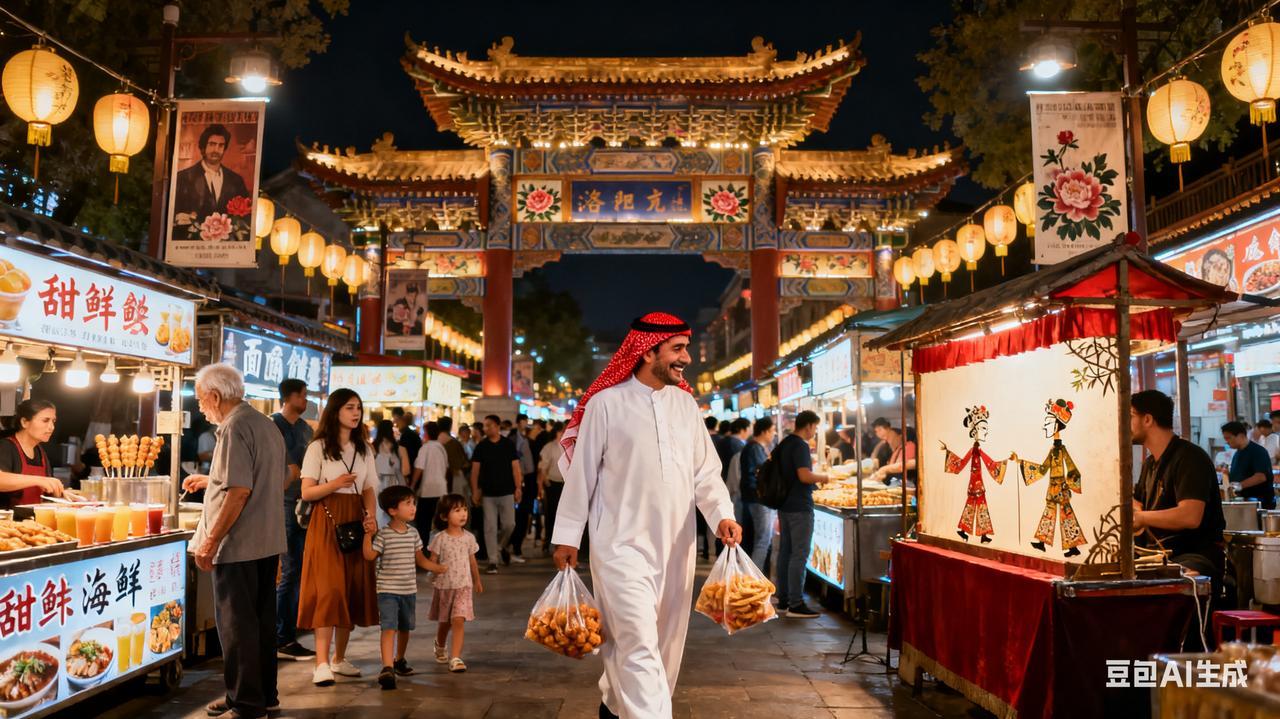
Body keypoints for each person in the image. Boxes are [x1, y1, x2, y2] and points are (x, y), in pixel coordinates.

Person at [551, 312, 740, 719]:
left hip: (676, 545)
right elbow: (581, 474)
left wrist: (721, 514)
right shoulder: (605, 404)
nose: (686, 358)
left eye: (686, 348)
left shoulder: (686, 405)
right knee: (636, 640)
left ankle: (615, 706)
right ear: (646, 350)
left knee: (665, 645)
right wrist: (568, 534)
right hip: (618, 544)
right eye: (677, 349)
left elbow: (705, 472)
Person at [185, 364, 286, 719]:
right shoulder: (264, 423)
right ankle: (260, 696)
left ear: (214, 396)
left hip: (239, 545)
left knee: (237, 627)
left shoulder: (233, 427)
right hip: (267, 541)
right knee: (258, 623)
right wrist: (210, 480)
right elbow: (251, 478)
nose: (200, 407)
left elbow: (239, 492)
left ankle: (245, 705)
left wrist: (210, 540)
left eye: (200, 400)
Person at [297, 389, 379, 687]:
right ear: (335, 412)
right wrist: (335, 484)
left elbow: (369, 488)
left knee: (351, 588)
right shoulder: (318, 447)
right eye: (349, 407)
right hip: (326, 521)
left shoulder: (364, 448)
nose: (355, 413)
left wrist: (371, 515)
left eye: (358, 407)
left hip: (357, 521)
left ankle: (339, 658)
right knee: (329, 590)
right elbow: (307, 492)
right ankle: (321, 662)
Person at [1132, 390, 1225, 604]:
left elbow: (1190, 516)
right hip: (1158, 556)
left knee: (1177, 582)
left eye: (1129, 415)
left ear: (1147, 419)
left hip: (1195, 555)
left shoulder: (1190, 457)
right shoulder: (1150, 464)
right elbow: (1137, 506)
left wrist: (1142, 518)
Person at [362, 485, 447, 690]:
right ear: (392, 510)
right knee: (389, 627)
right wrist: (368, 535)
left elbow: (421, 561)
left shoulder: (413, 533)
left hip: (408, 590)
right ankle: (387, 667)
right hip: (387, 591)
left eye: (414, 503)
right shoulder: (383, 535)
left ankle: (399, 660)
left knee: (405, 628)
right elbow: (369, 556)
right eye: (408, 503)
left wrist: (441, 568)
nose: (413, 507)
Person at [270, 379, 316, 662]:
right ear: (290, 397)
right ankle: (281, 636)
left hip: (303, 505)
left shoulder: (304, 428)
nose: (307, 399)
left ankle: (288, 632)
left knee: (298, 570)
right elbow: (293, 470)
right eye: (303, 395)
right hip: (283, 506)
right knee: (290, 570)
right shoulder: (273, 426)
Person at [775, 410, 830, 619]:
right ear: (808, 426)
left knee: (786, 553)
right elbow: (804, 476)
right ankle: (796, 604)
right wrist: (824, 477)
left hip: (785, 506)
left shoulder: (785, 443)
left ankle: (783, 600)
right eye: (815, 428)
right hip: (799, 506)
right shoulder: (800, 445)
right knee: (799, 554)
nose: (814, 432)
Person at [427, 494, 483, 673]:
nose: (463, 514)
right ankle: (439, 644)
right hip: (444, 587)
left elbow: (473, 562)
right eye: (457, 510)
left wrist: (477, 581)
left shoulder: (469, 538)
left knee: (458, 620)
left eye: (465, 509)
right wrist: (435, 570)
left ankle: (456, 657)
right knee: (445, 622)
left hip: (463, 587)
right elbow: (432, 560)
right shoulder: (439, 538)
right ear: (444, 516)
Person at [470, 415, 521, 574]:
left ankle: (501, 546)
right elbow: (475, 471)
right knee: (490, 527)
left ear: (498, 426)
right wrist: (475, 491)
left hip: (507, 491)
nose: (486, 429)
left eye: (489, 425)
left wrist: (518, 487)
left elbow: (515, 468)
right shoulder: (481, 446)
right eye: (484, 426)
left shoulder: (508, 445)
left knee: (509, 524)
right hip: (488, 493)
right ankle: (493, 560)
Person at [172, 124, 251, 227]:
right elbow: (172, 214)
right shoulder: (183, 177)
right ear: (204, 147)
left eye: (221, 145)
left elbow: (246, 217)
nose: (216, 150)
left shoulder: (236, 180)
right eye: (212, 144)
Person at [0, 399, 64, 508]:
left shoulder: (40, 451)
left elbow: (45, 489)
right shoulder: (5, 446)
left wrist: (60, 493)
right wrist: (39, 480)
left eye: (53, 421)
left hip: (34, 521)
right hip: (7, 521)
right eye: (45, 420)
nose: (51, 427)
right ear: (24, 422)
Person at [739, 417, 777, 570]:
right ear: (765, 431)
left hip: (753, 498)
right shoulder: (755, 448)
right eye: (772, 431)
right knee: (763, 540)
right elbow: (760, 474)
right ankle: (755, 580)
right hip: (758, 500)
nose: (773, 435)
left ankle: (753, 577)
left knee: (760, 539)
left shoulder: (752, 447)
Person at [1223, 421, 1275, 509]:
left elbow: (1261, 476)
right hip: (1244, 503)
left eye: (1229, 438)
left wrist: (1238, 486)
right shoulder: (1237, 454)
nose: (1227, 442)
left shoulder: (1258, 451)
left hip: (1259, 504)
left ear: (1241, 435)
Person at [411, 422, 450, 542]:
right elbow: (447, 468)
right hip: (441, 489)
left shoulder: (426, 448)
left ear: (426, 433)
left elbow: (419, 468)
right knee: (440, 521)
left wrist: (412, 485)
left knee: (423, 521)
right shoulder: (441, 447)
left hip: (428, 490)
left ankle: (424, 549)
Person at [507, 415, 535, 562]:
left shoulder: (525, 439)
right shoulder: (514, 439)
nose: (525, 423)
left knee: (522, 516)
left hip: (526, 481)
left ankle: (515, 546)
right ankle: (513, 546)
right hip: (518, 481)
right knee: (518, 517)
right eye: (523, 421)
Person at [373, 419, 411, 526]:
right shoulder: (400, 449)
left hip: (377, 486)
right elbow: (406, 471)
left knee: (378, 517)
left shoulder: (372, 448)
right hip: (396, 485)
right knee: (396, 516)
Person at [537, 422, 566, 556]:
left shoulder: (571, 446)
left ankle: (563, 542)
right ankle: (548, 540)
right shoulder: (549, 447)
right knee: (551, 513)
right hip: (553, 483)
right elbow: (542, 466)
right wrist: (543, 483)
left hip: (566, 484)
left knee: (565, 515)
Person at [437, 416, 471, 502]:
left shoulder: (436, 442)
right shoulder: (454, 442)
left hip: (441, 476)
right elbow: (463, 461)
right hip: (456, 476)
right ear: (450, 426)